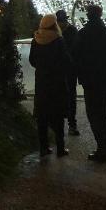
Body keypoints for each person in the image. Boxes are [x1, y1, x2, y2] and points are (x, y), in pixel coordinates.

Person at [73, 4, 106, 162]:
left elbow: (75, 56)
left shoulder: (82, 34)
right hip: (104, 78)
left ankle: (102, 147)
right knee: (103, 113)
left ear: (88, 15)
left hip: (89, 79)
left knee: (93, 113)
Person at [29, 14, 70, 158]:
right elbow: (65, 61)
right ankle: (60, 148)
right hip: (56, 82)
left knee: (42, 116)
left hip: (41, 82)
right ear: (54, 25)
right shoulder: (58, 40)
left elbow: (32, 60)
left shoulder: (36, 40)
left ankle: (43, 147)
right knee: (57, 116)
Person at [55, 9, 79, 136]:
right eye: (59, 22)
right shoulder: (55, 32)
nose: (60, 24)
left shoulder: (71, 31)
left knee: (70, 97)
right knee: (60, 97)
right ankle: (60, 126)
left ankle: (72, 124)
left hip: (69, 70)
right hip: (61, 70)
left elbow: (75, 50)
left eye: (62, 22)